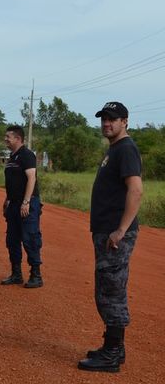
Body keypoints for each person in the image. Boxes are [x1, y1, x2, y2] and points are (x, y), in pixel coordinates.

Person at [78, 102, 142, 373]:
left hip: (115, 234)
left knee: (111, 293)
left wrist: (121, 229)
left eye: (112, 119)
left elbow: (136, 190)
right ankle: (113, 347)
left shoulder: (126, 149)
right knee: (106, 290)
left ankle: (112, 354)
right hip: (106, 232)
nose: (107, 123)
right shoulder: (114, 149)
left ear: (125, 121)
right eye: (104, 119)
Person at [0, 125, 43, 288]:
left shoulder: (27, 155)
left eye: (8, 137)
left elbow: (31, 178)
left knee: (30, 237)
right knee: (12, 239)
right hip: (13, 203)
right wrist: (7, 200)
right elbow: (12, 182)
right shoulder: (12, 157)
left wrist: (26, 202)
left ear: (18, 139)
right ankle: (16, 274)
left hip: (27, 203)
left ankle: (36, 275)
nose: (5, 139)